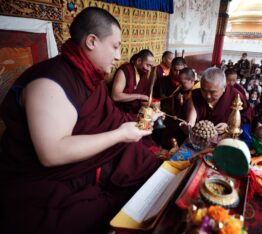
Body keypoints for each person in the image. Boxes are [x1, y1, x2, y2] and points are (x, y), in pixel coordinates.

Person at [0, 7, 162, 233]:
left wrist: (138, 121)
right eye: (115, 46)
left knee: (149, 169)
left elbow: (107, 118)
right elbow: (51, 154)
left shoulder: (87, 76)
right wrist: (121, 134)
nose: (118, 55)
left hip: (91, 158)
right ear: (92, 41)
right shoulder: (50, 81)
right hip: (42, 177)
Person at [184, 67, 252, 135]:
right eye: (204, 90)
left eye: (212, 92)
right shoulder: (196, 95)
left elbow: (246, 118)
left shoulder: (236, 96)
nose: (208, 96)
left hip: (226, 138)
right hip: (201, 138)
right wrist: (188, 127)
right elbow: (191, 122)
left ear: (224, 87)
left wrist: (228, 126)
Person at [111, 49, 155, 113]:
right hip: (120, 111)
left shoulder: (143, 74)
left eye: (151, 66)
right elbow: (115, 96)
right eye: (147, 65)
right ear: (139, 61)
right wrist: (139, 96)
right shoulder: (125, 70)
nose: (149, 69)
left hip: (137, 111)